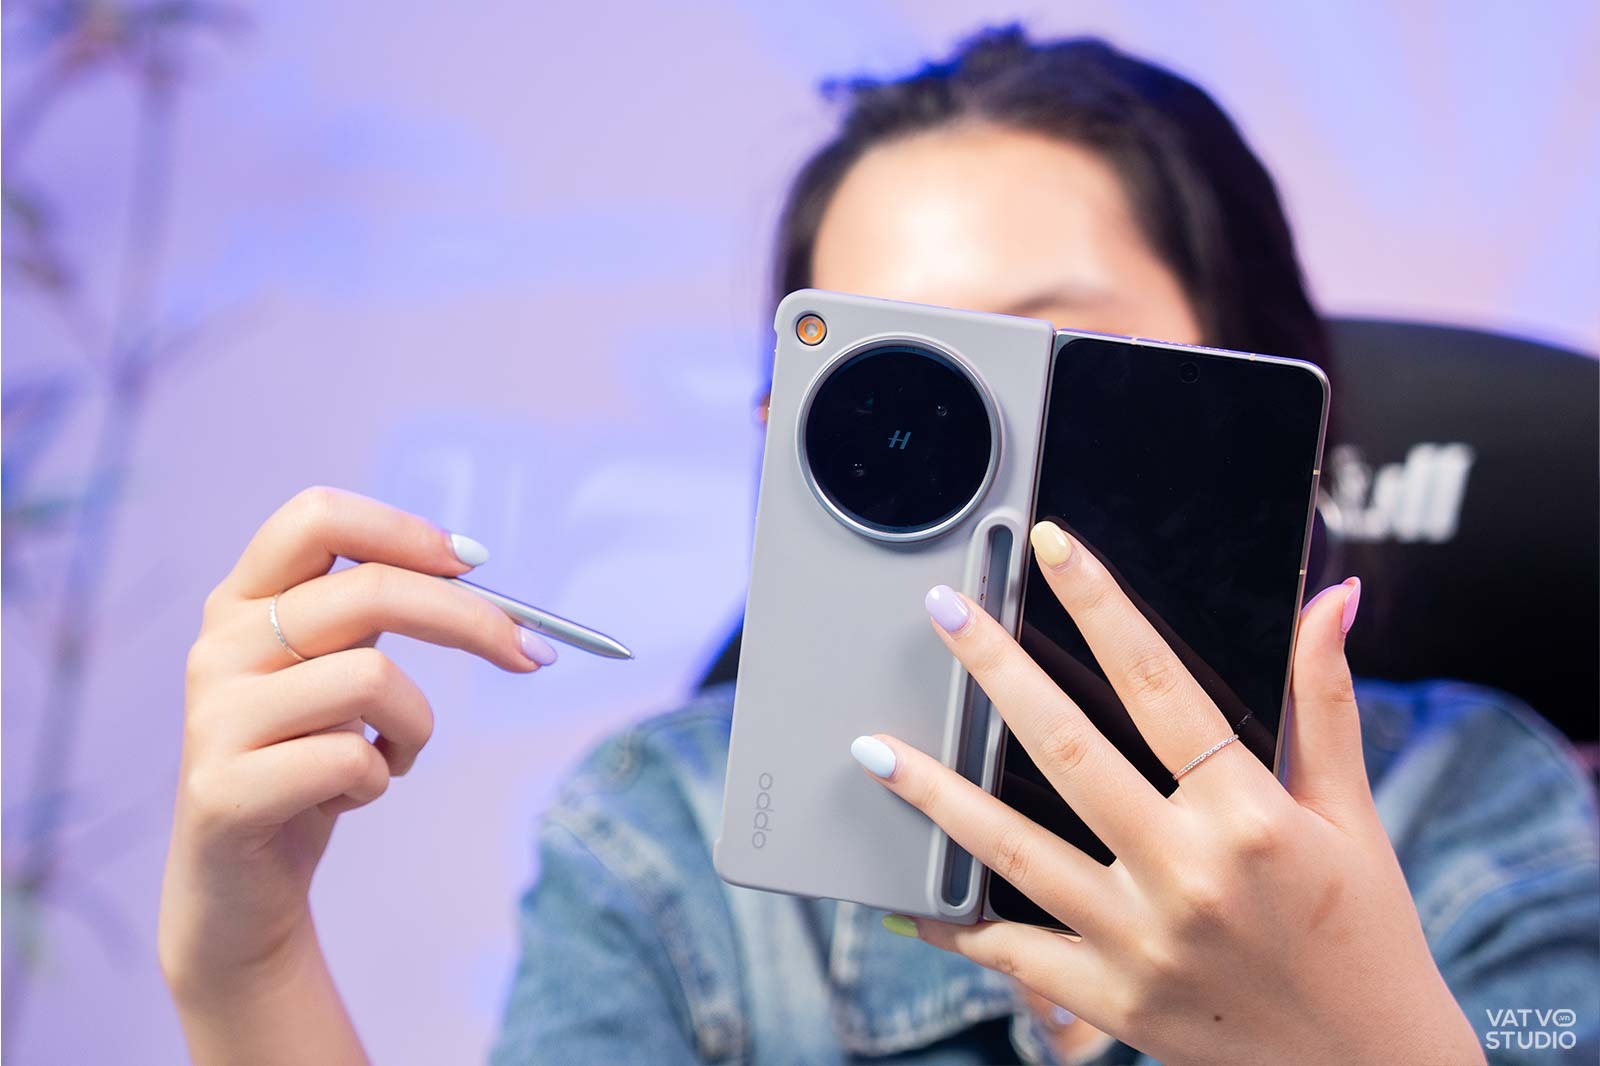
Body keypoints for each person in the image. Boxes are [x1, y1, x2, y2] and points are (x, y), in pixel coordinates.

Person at [160, 27, 1599, 1065]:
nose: (979, 462)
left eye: (1055, 351)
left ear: (1261, 386)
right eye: (894, 384)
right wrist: (250, 962)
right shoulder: (665, 845)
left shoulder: (1475, 813)